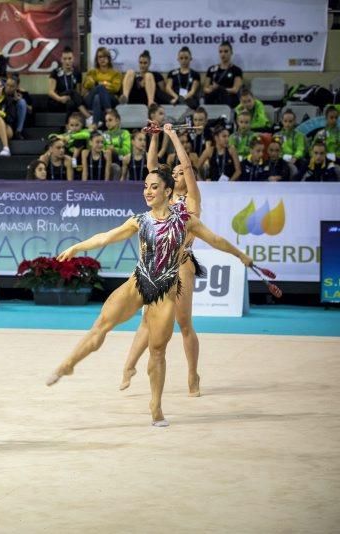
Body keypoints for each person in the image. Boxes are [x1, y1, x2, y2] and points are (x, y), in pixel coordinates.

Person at [47, 144, 256, 426]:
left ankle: (156, 407)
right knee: (101, 326)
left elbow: (216, 240)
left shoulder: (186, 221)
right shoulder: (139, 219)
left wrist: (241, 255)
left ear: (168, 191)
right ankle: (68, 364)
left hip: (165, 291)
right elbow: (106, 237)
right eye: (146, 186)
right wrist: (77, 247)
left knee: (157, 350)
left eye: (154, 187)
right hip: (137, 282)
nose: (147, 191)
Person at [121, 123, 205, 396]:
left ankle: (193, 374)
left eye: (182, 172)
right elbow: (151, 166)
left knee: (183, 323)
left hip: (182, 264)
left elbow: (188, 167)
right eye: (176, 173)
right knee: (148, 319)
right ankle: (129, 366)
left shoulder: (191, 200)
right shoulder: (164, 199)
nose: (179, 173)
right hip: (157, 264)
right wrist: (155, 136)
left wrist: (172, 135)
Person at [82, 47, 121, 126]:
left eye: (105, 57)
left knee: (98, 96)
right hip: (90, 98)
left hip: (110, 98)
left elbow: (115, 88)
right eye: (100, 57)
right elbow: (86, 85)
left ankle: (95, 124)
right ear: (97, 59)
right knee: (99, 90)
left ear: (109, 58)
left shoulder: (116, 73)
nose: (102, 59)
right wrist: (105, 84)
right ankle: (110, 113)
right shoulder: (92, 72)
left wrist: (98, 84)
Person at [48, 46, 87, 117]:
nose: (67, 61)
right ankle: (88, 116)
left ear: (73, 59)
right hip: (58, 100)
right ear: (61, 60)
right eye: (65, 59)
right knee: (72, 92)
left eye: (69, 58)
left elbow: (78, 92)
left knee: (71, 102)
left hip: (71, 100)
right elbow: (50, 92)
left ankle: (67, 126)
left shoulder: (77, 73)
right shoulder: (55, 72)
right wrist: (60, 99)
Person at [203, 41, 243, 108]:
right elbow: (205, 88)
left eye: (226, 51)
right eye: (220, 52)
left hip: (229, 98)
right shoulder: (211, 69)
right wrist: (210, 90)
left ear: (231, 53)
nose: (223, 54)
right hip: (214, 97)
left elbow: (235, 89)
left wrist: (219, 88)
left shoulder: (236, 70)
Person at [277, 109, 307, 178]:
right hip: (281, 159)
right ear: (282, 121)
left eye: (290, 121)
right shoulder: (277, 135)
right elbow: (276, 150)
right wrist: (281, 157)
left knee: (303, 162)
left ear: (294, 121)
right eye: (285, 121)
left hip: (295, 159)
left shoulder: (299, 135)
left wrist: (295, 157)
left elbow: (300, 149)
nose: (288, 124)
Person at [5, 75, 32, 140]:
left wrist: (20, 100)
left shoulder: (23, 93)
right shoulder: (0, 92)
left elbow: (30, 110)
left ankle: (18, 132)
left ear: (17, 87)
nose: (8, 88)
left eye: (12, 86)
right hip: (6, 119)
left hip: (18, 119)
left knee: (22, 102)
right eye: (7, 85)